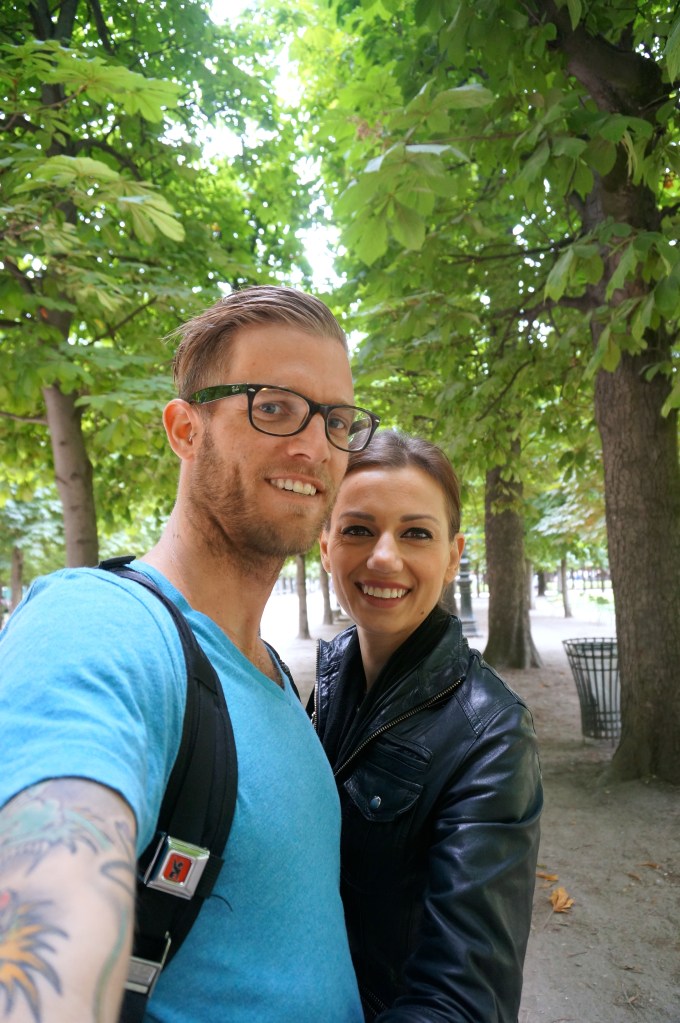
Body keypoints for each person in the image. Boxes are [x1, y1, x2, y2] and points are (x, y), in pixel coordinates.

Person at [0, 285, 380, 1023]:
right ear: (185, 429)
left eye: (337, 420)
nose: (314, 446)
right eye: (274, 407)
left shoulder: (271, 672)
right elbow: (48, 917)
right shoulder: (99, 623)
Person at [311, 429, 543, 1022]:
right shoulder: (330, 679)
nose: (384, 557)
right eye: (358, 530)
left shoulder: (492, 734)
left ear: (453, 555)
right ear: (325, 547)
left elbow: (463, 1000)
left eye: (415, 533)